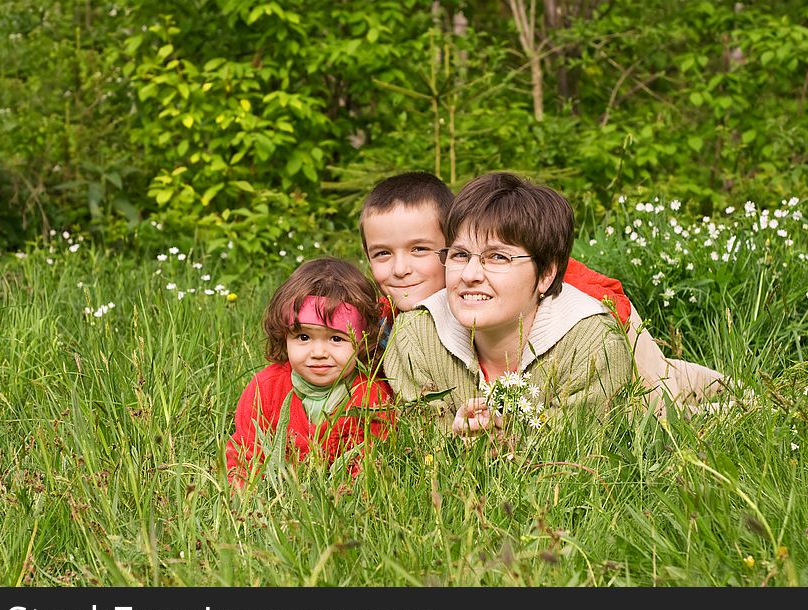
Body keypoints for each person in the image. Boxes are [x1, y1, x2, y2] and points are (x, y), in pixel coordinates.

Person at [360, 172, 727, 418]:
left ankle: (723, 390)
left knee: (662, 399)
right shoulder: (408, 325)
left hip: (616, 330)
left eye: (421, 250)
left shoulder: (579, 316)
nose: (401, 269)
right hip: (508, 340)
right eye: (382, 254)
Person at [382, 172, 632, 433]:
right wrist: (455, 440)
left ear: (546, 273)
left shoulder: (594, 346)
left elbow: (577, 454)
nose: (469, 274)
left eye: (498, 257)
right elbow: (423, 443)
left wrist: (505, 442)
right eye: (460, 254)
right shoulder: (414, 336)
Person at [225, 257, 393, 488]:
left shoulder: (369, 397)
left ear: (363, 341)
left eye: (336, 338)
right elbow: (246, 450)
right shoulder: (265, 389)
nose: (318, 352)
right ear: (284, 336)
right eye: (303, 337)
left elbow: (371, 460)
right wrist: (245, 496)